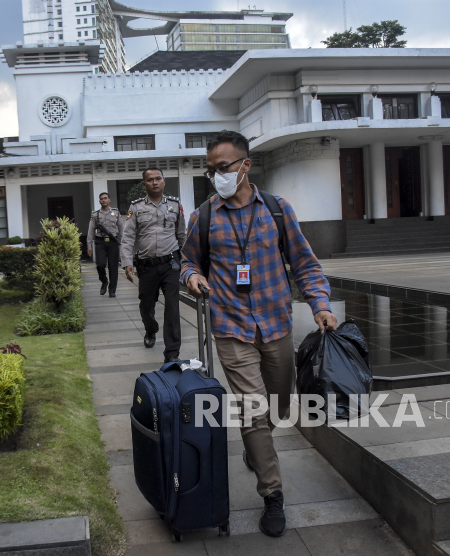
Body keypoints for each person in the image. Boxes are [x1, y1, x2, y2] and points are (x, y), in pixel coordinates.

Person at [180, 130, 336, 538]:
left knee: (279, 407)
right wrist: (194, 276)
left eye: (224, 167)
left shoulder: (278, 210)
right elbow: (187, 262)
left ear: (246, 165)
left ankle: (257, 447)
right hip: (231, 327)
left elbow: (305, 264)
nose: (216, 176)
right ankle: (273, 493)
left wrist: (320, 305)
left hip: (276, 324)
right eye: (210, 170)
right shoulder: (204, 216)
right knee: (253, 409)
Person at [121, 168, 187, 363]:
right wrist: (127, 263)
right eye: (150, 180)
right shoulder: (136, 207)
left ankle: (172, 353)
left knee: (172, 308)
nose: (155, 182)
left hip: (171, 263)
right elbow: (127, 238)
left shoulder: (175, 205)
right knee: (146, 305)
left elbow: (182, 235)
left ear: (164, 182)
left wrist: (189, 262)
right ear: (144, 184)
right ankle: (151, 330)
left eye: (158, 179)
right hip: (147, 266)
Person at [87, 192, 124, 297]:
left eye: (105, 198)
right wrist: (89, 245)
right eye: (101, 199)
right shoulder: (96, 214)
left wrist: (124, 243)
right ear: (99, 201)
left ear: (109, 200)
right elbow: (90, 231)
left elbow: (121, 229)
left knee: (113, 267)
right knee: (100, 265)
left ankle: (112, 291)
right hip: (100, 242)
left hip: (113, 242)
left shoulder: (116, 213)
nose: (103, 200)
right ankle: (104, 281)